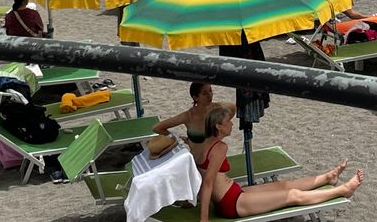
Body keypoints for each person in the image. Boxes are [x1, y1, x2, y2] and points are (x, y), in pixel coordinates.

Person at [196, 103, 363, 218]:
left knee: (283, 185)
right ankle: (343, 190)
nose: (232, 125)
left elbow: (203, 177)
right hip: (231, 203)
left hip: (232, 194)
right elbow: (208, 183)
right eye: (228, 122)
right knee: (293, 196)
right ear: (218, 126)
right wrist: (204, 218)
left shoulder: (202, 143)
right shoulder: (220, 148)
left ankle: (328, 177)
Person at [152, 81, 215, 148]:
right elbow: (157, 128)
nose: (210, 95)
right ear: (195, 98)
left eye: (210, 90)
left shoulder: (218, 108)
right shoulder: (188, 116)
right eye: (205, 93)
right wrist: (177, 138)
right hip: (197, 154)